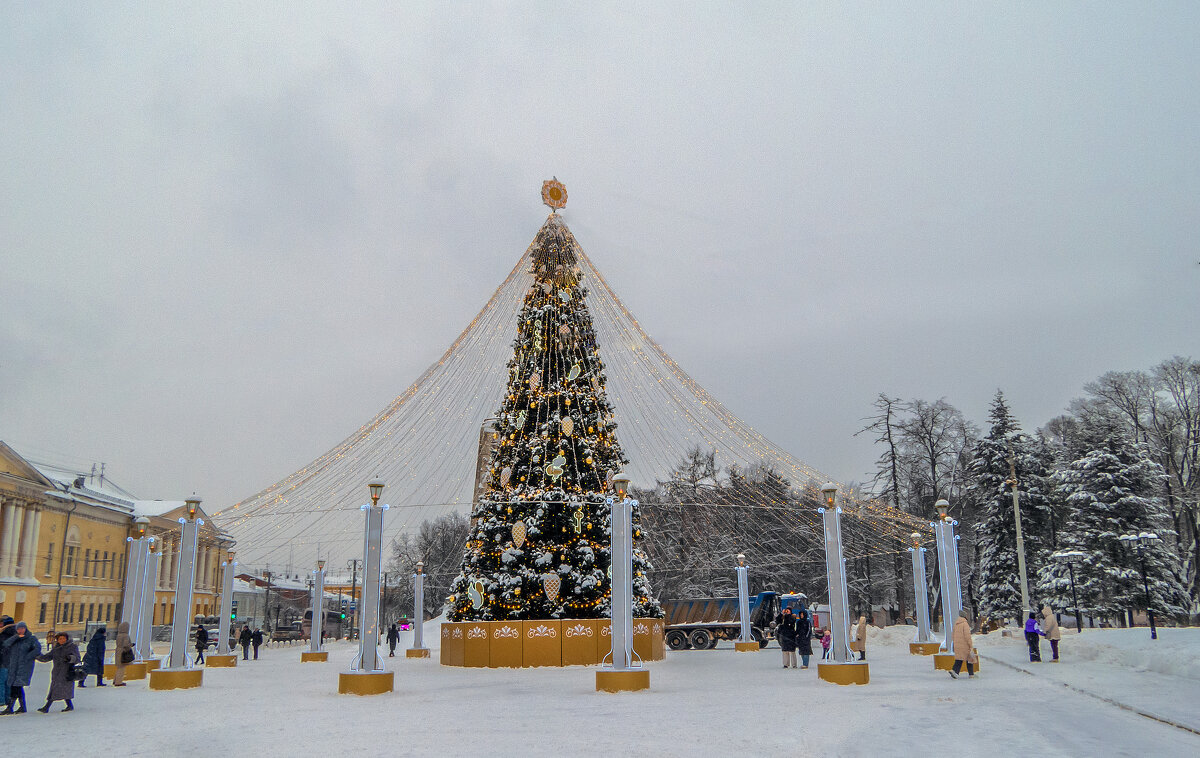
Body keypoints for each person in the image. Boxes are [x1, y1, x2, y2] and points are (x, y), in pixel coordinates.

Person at [35, 631, 79, 713]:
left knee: (58, 689)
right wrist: (37, 656)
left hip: (67, 672)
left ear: (67, 639)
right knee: (60, 689)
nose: (62, 640)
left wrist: (70, 658)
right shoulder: (56, 649)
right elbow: (47, 657)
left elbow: (77, 658)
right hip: (57, 673)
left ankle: (46, 707)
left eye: (63, 638)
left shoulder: (72, 647)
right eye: (60, 639)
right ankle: (69, 705)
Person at [2, 621, 40, 714]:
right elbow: (5, 644)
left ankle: (10, 708)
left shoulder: (31, 639)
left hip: (24, 667)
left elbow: (37, 649)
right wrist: (16, 637)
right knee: (16, 686)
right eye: (19, 629)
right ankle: (22, 707)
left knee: (16, 686)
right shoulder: (15, 639)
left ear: (26, 629)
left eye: (22, 628)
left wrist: (27, 657)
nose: (20, 630)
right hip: (14, 666)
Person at [948, 610, 976, 679]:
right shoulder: (965, 624)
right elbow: (967, 636)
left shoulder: (956, 624)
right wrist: (970, 644)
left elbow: (953, 635)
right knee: (969, 659)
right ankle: (971, 674)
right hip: (965, 645)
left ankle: (955, 671)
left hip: (957, 645)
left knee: (959, 659)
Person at [0, 616, 15, 708]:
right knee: (8, 682)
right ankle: (7, 699)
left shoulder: (3, 634)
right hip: (11, 662)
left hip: (3, 661)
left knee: (1, 682)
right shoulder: (16, 633)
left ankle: (1, 700)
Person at [113, 622, 133, 686]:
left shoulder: (118, 635)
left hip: (118, 651)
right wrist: (131, 645)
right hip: (123, 652)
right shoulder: (126, 636)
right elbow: (125, 645)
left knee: (119, 667)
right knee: (122, 668)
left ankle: (115, 680)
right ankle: (118, 682)